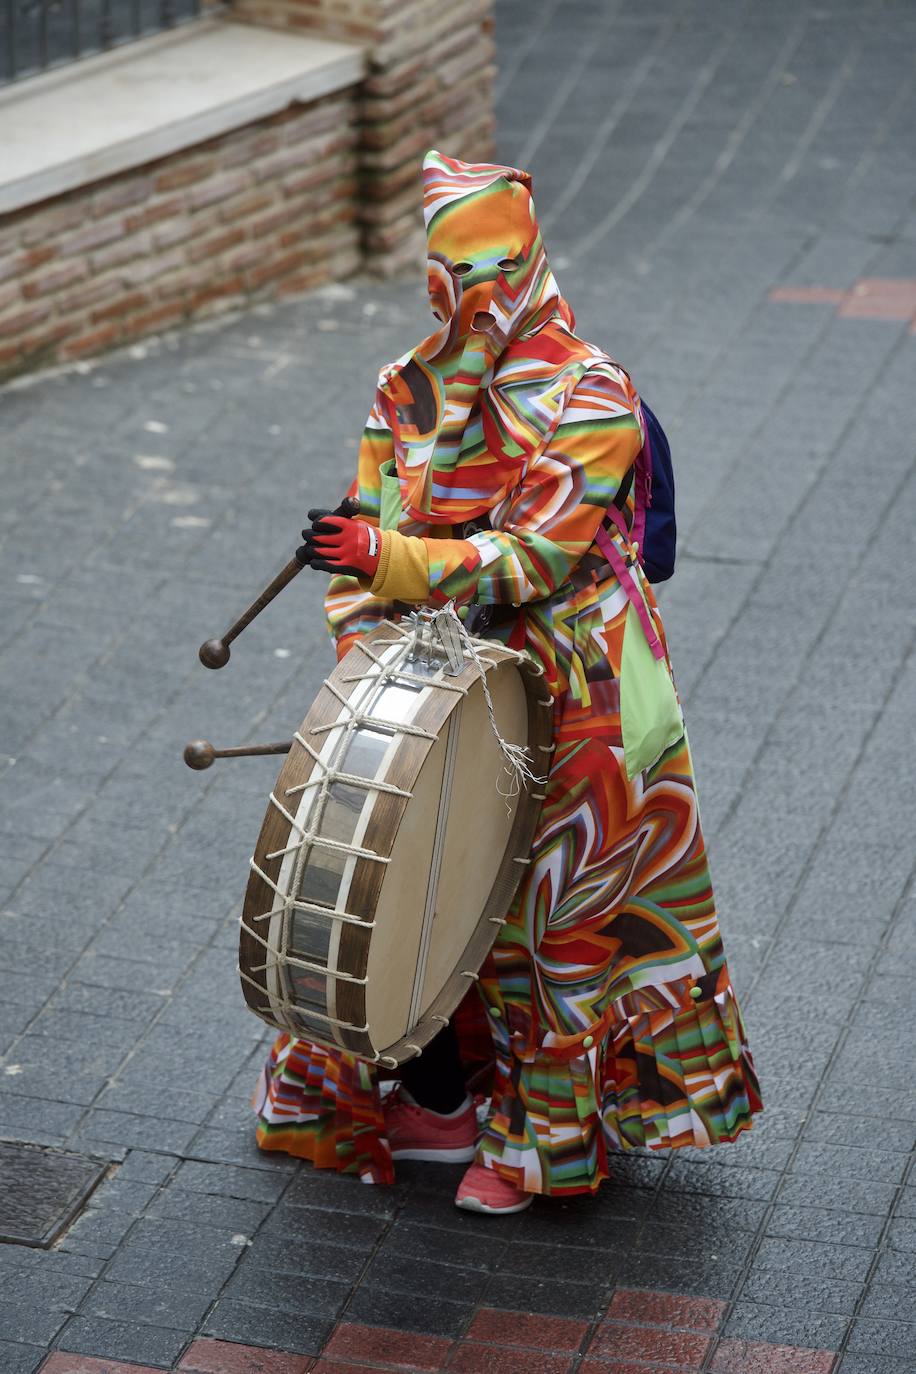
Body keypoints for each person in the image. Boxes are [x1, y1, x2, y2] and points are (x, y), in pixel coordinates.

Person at [253, 149, 761, 1215]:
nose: (469, 292)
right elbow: (369, 526)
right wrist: (364, 660)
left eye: (488, 267)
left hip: (579, 685)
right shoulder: (404, 385)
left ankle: (538, 1147)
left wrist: (386, 560)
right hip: (433, 678)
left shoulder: (596, 394)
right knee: (414, 878)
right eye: (450, 267)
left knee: (551, 909)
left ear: (529, 262)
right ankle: (438, 1104)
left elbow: (532, 561)